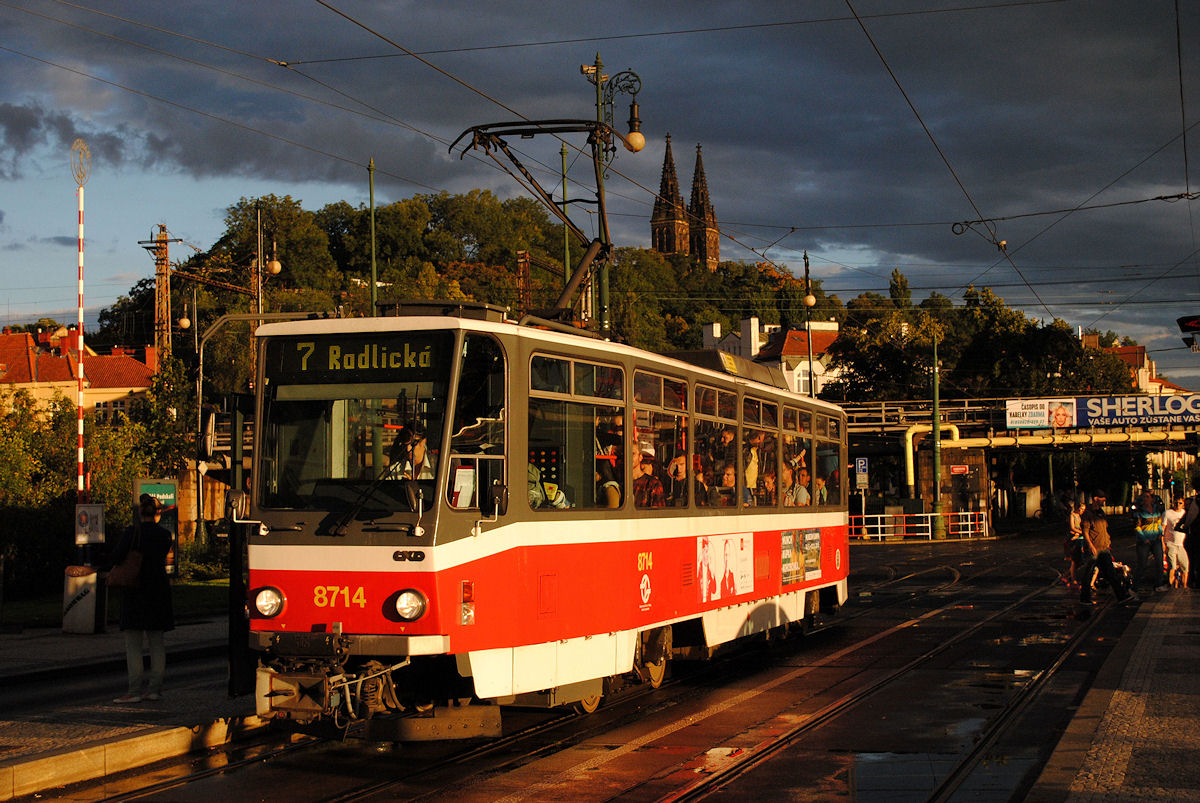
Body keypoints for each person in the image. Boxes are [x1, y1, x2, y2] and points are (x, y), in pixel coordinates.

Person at [111, 494, 175, 703]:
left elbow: (118, 556)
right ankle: (155, 689)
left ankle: (134, 690)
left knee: (134, 643)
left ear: (139, 513)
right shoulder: (165, 535)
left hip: (135, 591)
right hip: (158, 591)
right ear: (157, 514)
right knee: (157, 642)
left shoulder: (131, 533)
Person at [1079, 491, 1135, 605]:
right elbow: (1085, 531)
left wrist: (1108, 542)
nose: (1104, 501)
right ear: (1095, 498)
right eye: (1102, 499)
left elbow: (1104, 529)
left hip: (1104, 548)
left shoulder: (1100, 512)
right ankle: (1084, 598)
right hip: (1094, 548)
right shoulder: (1088, 513)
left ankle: (1121, 596)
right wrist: (1090, 546)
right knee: (1088, 574)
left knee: (1111, 573)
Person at [1132, 490, 1167, 592]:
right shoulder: (1139, 512)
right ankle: (1135, 587)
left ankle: (1159, 584)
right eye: (1144, 497)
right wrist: (1144, 538)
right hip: (1144, 541)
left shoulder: (1156, 510)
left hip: (1156, 539)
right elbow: (1137, 527)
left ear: (1152, 499)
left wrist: (1160, 533)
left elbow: (1159, 523)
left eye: (1147, 497)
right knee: (1142, 564)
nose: (1145, 499)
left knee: (1159, 563)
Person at [1164, 496, 1189, 588]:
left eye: (1180, 503)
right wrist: (1164, 544)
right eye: (1176, 503)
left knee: (1185, 566)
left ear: (1183, 505)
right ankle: (1171, 586)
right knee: (1172, 567)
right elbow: (1163, 529)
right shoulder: (1167, 513)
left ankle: (1184, 586)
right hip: (1171, 544)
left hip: (1181, 545)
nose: (1178, 505)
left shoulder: (1185, 513)